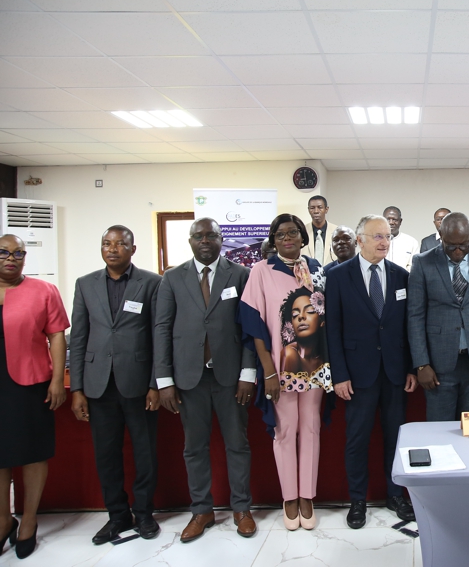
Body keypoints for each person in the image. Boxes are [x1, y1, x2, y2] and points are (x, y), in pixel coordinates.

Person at [154, 218, 258, 542]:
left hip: (231, 378)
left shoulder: (241, 275)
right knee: (194, 448)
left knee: (237, 444)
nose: (204, 240)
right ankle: (202, 511)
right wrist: (164, 380)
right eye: (198, 236)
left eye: (210, 234)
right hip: (189, 379)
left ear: (220, 238)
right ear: (189, 241)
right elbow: (162, 329)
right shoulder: (171, 278)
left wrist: (248, 373)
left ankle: (241, 508)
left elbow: (250, 328)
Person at [69, 226, 162, 544]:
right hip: (98, 385)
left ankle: (145, 513)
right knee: (106, 454)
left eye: (120, 244)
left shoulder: (151, 283)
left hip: (138, 384)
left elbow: (158, 337)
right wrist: (77, 388)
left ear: (132, 249)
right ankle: (117, 516)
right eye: (106, 244)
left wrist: (155, 384)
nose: (112, 249)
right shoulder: (85, 284)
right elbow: (78, 338)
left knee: (145, 452)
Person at [325, 215, 417, 529]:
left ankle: (395, 495)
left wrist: (409, 368)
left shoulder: (401, 276)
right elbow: (332, 331)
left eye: (388, 237)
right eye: (377, 236)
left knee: (395, 438)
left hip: (394, 373)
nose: (384, 242)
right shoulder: (338, 277)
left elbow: (406, 328)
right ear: (360, 240)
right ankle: (358, 500)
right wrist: (339, 375)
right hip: (357, 374)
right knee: (357, 439)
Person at [239, 214, 330, 531]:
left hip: (315, 365)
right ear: (273, 240)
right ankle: (289, 497)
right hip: (279, 367)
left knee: (311, 428)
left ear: (304, 237)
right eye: (280, 234)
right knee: (285, 430)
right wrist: (267, 372)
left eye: (293, 233)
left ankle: (308, 495)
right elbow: (255, 325)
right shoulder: (261, 271)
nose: (287, 238)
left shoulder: (316, 269)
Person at [0, 234, 69, 560]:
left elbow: (57, 336)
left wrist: (57, 380)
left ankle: (28, 519)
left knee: (32, 451)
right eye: (3, 252)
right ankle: (3, 520)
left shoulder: (43, 291)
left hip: (29, 383)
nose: (11, 258)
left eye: (18, 253)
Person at [408, 212, 469, 421]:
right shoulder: (423, 262)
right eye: (450, 245)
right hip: (439, 365)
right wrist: (422, 363)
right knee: (440, 430)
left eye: (463, 244)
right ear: (440, 235)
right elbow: (415, 316)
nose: (457, 250)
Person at [302, 195, 337, 265]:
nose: (316, 211)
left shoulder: (337, 231)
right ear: (308, 210)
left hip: (331, 273)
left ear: (326, 209)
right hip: (308, 273)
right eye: (312, 208)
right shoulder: (302, 231)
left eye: (320, 207)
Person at [383, 206, 419, 272]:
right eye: (388, 219)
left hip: (404, 280)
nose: (391, 222)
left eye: (395, 219)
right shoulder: (375, 241)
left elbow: (414, 267)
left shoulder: (411, 242)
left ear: (400, 221)